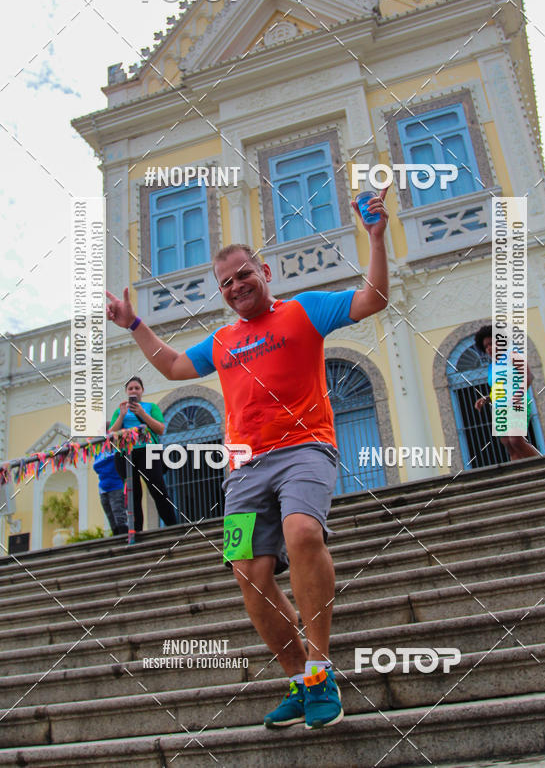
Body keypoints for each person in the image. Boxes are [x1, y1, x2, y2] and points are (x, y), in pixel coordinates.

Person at [106, 189, 389, 730]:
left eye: (244, 274)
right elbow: (170, 367)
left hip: (306, 449)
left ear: (264, 271)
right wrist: (134, 325)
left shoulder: (305, 310)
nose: (237, 286)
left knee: (303, 532)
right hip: (241, 470)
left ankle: (321, 666)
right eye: (227, 283)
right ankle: (302, 679)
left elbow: (373, 297)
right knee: (247, 573)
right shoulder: (222, 340)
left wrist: (375, 237)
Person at [109, 376, 177, 531]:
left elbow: (160, 429)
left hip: (149, 451)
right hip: (126, 454)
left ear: (142, 390)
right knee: (133, 493)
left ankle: (173, 527)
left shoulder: (151, 407)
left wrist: (141, 413)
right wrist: (121, 415)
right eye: (130, 388)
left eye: (137, 388)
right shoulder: (120, 410)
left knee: (157, 488)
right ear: (126, 391)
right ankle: (136, 531)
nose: (134, 391)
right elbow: (111, 434)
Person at [474, 325, 541, 460]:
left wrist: (519, 394)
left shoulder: (512, 354)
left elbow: (528, 376)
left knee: (516, 440)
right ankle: (520, 475)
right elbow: (498, 389)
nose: (489, 349)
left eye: (491, 344)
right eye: (486, 347)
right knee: (508, 444)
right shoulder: (492, 366)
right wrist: (486, 399)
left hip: (517, 403)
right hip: (500, 408)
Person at [93, 423, 127, 536]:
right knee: (110, 516)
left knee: (119, 514)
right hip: (103, 488)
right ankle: (116, 536)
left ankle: (124, 537)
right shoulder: (98, 451)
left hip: (116, 485)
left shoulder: (116, 448)